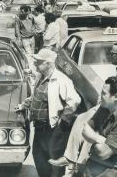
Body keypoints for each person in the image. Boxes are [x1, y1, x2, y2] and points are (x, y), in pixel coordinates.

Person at [49, 43, 117, 175]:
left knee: (93, 129)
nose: (109, 56)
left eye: (112, 54)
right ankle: (70, 158)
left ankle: (77, 163)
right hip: (112, 109)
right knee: (82, 120)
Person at [15, 49, 81, 177]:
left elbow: (75, 101)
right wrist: (23, 105)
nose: (35, 64)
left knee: (55, 163)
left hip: (53, 130)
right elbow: (35, 97)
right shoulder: (41, 77)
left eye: (38, 62)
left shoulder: (61, 80)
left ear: (48, 64)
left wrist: (63, 121)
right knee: (39, 158)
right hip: (39, 129)